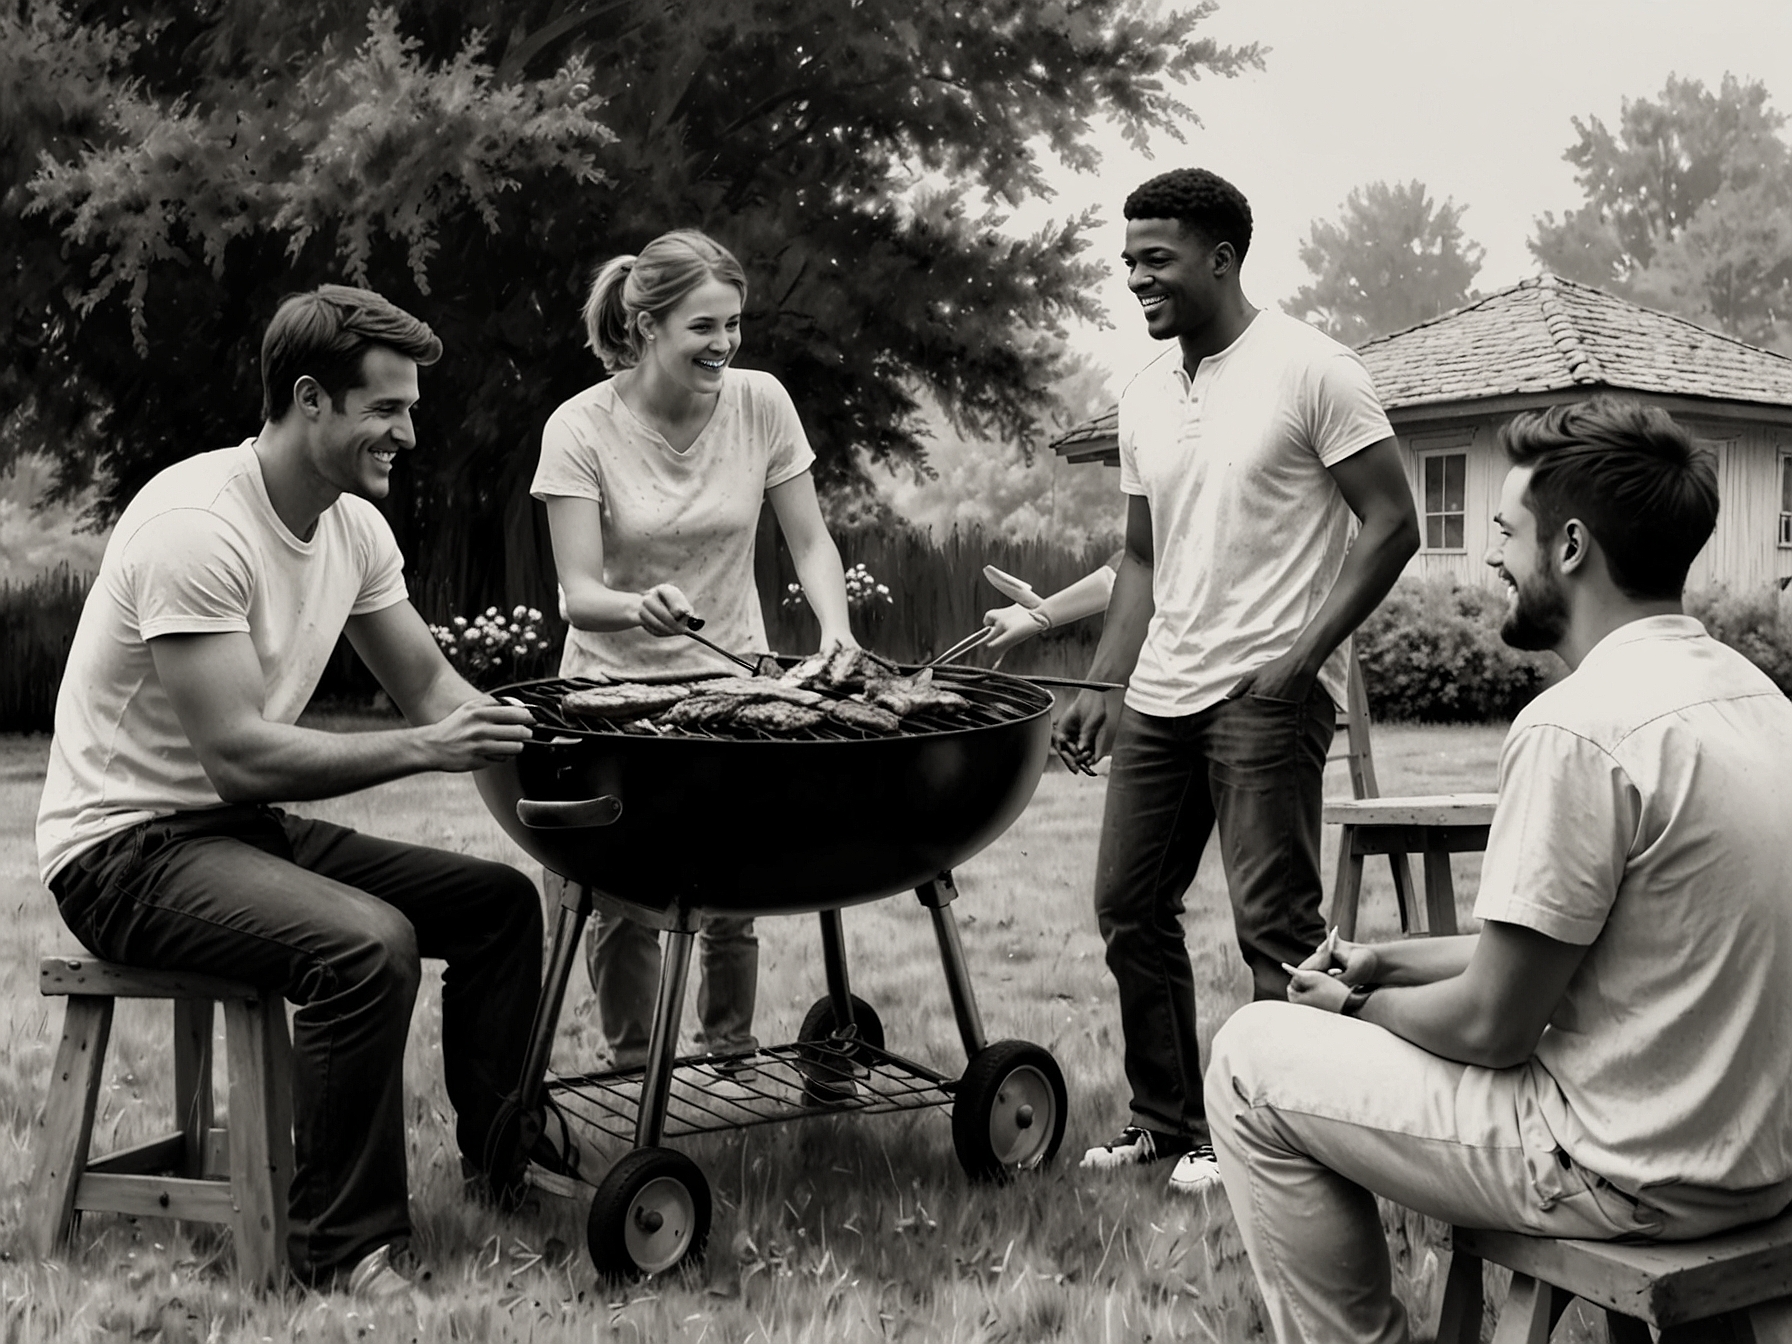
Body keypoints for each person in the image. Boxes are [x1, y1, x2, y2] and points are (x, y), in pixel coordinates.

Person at [1205, 396, 1792, 1344]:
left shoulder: (1577, 726)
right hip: (1757, 1164)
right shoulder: (1758, 699)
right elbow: (1581, 946)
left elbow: (1493, 1025)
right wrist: (1386, 964)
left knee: (1249, 1057)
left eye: (1503, 532)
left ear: (1569, 546)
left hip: (1619, 1167)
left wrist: (1350, 1011)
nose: (1490, 557)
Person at [36, 285, 552, 1300]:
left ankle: (506, 1175)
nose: (409, 431)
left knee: (497, 907)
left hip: (235, 835)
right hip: (121, 853)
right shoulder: (196, 524)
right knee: (362, 945)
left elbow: (433, 689)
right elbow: (239, 755)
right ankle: (341, 1248)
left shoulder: (352, 531)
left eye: (409, 408)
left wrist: (543, 742)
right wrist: (426, 749)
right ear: (311, 399)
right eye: (387, 408)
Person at [1056, 168, 1420, 1194]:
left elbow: (1393, 522)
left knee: (1274, 930)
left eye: (1156, 258)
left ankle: (1270, 1129)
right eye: (1127, 260)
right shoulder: (1142, 393)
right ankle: (1166, 1123)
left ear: (1221, 256)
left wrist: (1302, 657)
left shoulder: (1313, 369)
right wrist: (1103, 682)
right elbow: (1140, 557)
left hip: (1265, 694)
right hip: (1164, 692)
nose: (1136, 279)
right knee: (1128, 906)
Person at [532, 229, 856, 1073]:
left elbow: (812, 544)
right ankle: (635, 1069)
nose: (725, 345)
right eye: (702, 328)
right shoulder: (580, 427)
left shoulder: (762, 405)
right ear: (644, 326)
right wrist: (638, 605)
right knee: (624, 901)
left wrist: (837, 630)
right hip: (616, 696)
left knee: (730, 892)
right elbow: (577, 592)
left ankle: (731, 1060)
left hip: (733, 684)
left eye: (734, 325)